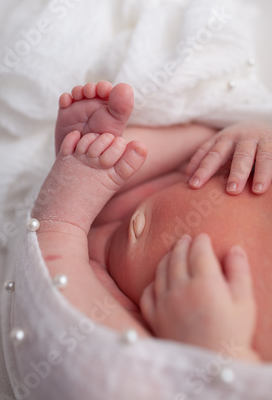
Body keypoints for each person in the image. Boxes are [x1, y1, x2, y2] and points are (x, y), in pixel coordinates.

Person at [32, 81, 272, 363]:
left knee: (123, 348)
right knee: (207, 141)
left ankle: (66, 210)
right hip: (175, 176)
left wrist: (219, 350)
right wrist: (255, 134)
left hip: (134, 301)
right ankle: (100, 149)